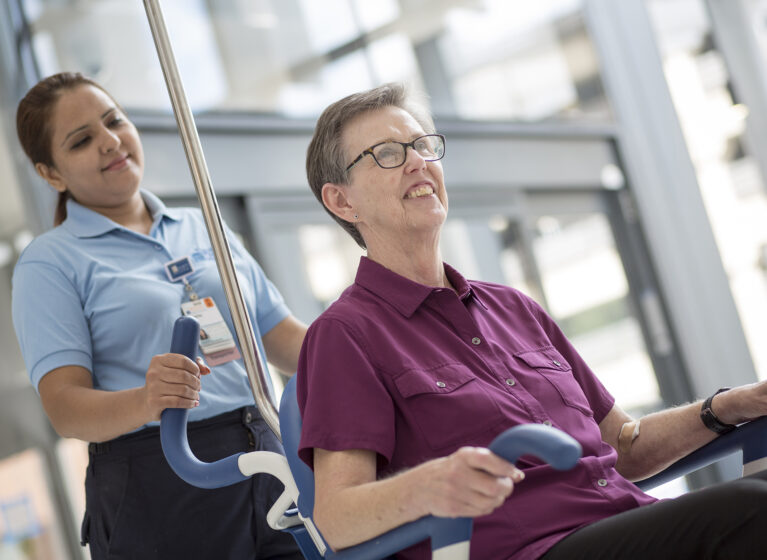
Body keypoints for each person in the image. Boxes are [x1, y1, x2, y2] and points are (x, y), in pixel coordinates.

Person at [296, 82, 767, 560]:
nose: (418, 161)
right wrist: (429, 485)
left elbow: (622, 447)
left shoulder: (512, 308)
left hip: (623, 522)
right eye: (388, 154)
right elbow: (335, 517)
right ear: (341, 201)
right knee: (749, 509)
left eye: (422, 145)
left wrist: (727, 406)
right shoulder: (345, 334)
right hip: (532, 549)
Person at [11, 72, 307, 560]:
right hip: (158, 481)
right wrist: (146, 400)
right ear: (51, 174)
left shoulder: (202, 223)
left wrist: (365, 344)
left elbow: (283, 338)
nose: (109, 142)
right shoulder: (50, 262)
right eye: (83, 140)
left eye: (114, 121)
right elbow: (64, 406)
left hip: (264, 454)